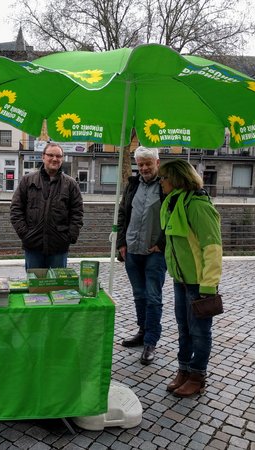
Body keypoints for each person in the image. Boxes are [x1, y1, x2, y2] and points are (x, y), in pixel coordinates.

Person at [158, 159, 223, 398]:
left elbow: (213, 246)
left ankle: (198, 375)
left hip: (198, 283)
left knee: (200, 332)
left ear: (175, 178)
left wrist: (209, 284)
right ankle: (183, 370)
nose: (160, 181)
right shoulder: (173, 202)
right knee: (184, 328)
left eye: (163, 177)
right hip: (181, 280)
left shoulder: (197, 205)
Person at [117, 146, 166, 365]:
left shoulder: (166, 186)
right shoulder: (133, 185)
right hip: (132, 250)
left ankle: (151, 341)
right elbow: (122, 213)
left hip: (154, 252)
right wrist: (121, 243)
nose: (144, 167)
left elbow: (174, 216)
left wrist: (162, 244)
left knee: (153, 297)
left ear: (157, 162)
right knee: (139, 295)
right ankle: (142, 332)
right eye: (141, 164)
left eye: (148, 163)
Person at [10, 142, 83, 269]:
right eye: (51, 155)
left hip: (59, 246)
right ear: (43, 157)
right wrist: (25, 235)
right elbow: (16, 210)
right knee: (35, 286)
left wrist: (69, 237)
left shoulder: (70, 184)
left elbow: (77, 213)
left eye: (58, 156)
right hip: (33, 245)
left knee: (58, 286)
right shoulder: (27, 180)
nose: (55, 159)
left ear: (62, 159)